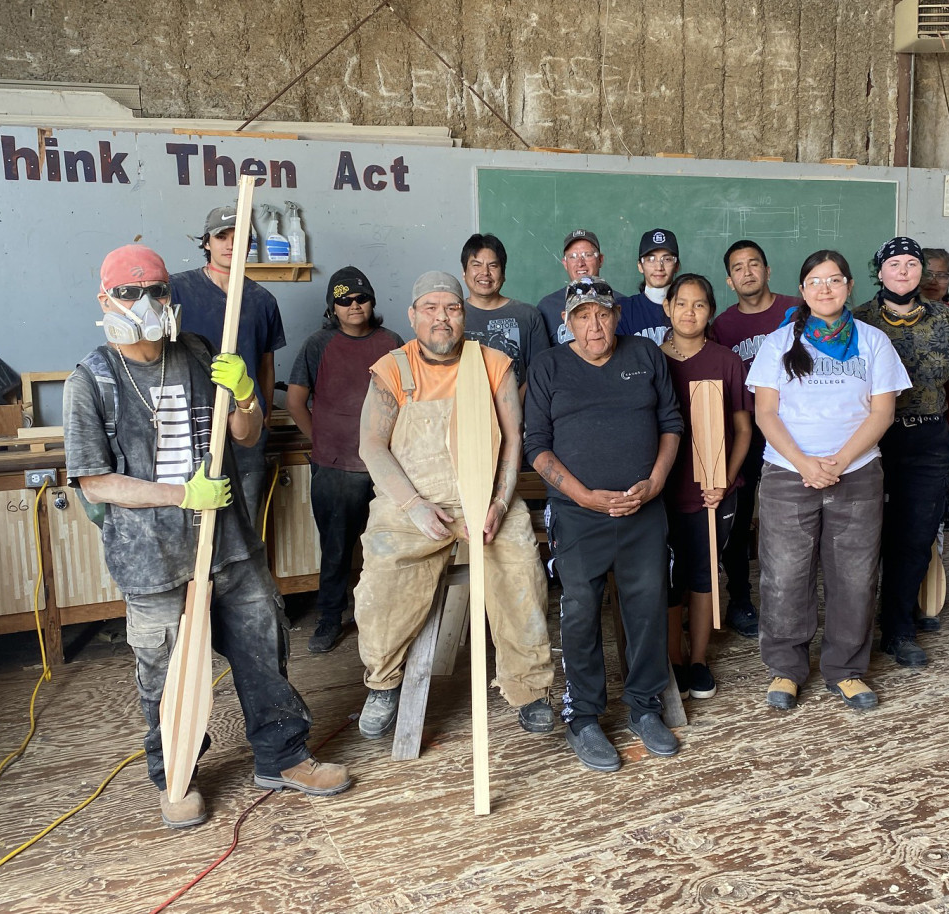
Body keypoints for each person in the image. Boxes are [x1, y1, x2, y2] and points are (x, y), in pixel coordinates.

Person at [64, 245, 349, 830]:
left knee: (261, 648)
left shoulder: (197, 352)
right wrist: (180, 496)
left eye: (155, 291)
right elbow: (95, 482)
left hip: (230, 546)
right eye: (127, 293)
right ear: (104, 300)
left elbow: (245, 436)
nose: (143, 304)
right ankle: (176, 776)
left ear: (171, 296)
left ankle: (284, 756)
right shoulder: (90, 379)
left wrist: (245, 393)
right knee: (167, 672)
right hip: (154, 559)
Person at [352, 271, 555, 741]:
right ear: (413, 315)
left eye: (452, 308)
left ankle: (528, 688)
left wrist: (501, 503)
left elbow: (512, 440)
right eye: (431, 308)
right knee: (381, 579)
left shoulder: (493, 364)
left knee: (522, 570)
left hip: (484, 500)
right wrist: (415, 506)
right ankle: (383, 681)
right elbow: (372, 447)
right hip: (413, 506)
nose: (441, 318)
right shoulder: (393, 370)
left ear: (464, 315)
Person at [524, 276, 683, 772]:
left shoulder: (644, 355)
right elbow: (537, 446)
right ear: (567, 322)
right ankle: (585, 716)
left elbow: (671, 424)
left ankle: (644, 706)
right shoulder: (549, 365)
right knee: (580, 609)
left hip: (643, 509)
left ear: (617, 315)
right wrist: (584, 496)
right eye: (583, 316)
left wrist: (655, 482)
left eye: (603, 314)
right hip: (576, 514)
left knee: (648, 607)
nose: (595, 325)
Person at [748, 251, 910, 710]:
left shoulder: (874, 342)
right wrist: (804, 462)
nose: (825, 289)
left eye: (834, 280)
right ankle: (786, 668)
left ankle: (847, 669)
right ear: (802, 290)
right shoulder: (778, 342)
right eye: (815, 282)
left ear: (849, 286)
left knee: (855, 577)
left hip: (856, 473)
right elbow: (765, 412)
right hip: (787, 473)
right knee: (783, 575)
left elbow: (883, 411)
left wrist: (839, 460)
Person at [854, 236, 949, 667]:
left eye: (913, 264)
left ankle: (899, 628)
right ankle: (859, 625)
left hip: (928, 440)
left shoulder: (946, 319)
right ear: (880, 272)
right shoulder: (858, 321)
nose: (905, 271)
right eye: (896, 264)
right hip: (872, 441)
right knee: (867, 536)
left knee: (915, 535)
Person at [287, 267, 403, 653]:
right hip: (334, 468)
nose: (354, 306)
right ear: (332, 308)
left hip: (385, 468)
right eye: (344, 300)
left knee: (389, 546)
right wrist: (322, 443)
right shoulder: (317, 345)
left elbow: (408, 399)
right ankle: (328, 618)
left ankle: (387, 616)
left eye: (361, 298)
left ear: (372, 301)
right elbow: (295, 400)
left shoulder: (392, 343)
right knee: (335, 549)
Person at [659, 273, 751, 702]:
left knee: (701, 576)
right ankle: (673, 660)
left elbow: (743, 430)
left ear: (710, 311)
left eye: (699, 305)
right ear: (667, 308)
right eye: (681, 303)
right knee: (668, 581)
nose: (689, 312)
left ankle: (697, 660)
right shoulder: (650, 360)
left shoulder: (726, 361)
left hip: (710, 493)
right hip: (660, 494)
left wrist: (726, 480)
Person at [708, 241, 804, 638]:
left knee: (795, 519)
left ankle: (794, 598)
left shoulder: (797, 311)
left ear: (767, 270)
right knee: (739, 516)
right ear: (729, 280)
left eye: (754, 264)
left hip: (794, 430)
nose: (747, 272)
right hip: (744, 434)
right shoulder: (722, 327)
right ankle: (741, 599)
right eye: (738, 268)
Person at [170, 204, 287, 530]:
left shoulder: (262, 300)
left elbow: (266, 364)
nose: (231, 244)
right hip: (192, 429)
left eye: (240, 237)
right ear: (207, 242)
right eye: (222, 236)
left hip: (245, 427)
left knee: (245, 525)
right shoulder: (176, 290)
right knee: (190, 526)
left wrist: (263, 416)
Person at [460, 233, 550, 393]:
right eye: (476, 265)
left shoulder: (528, 316)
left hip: (519, 412)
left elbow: (540, 371)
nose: (485, 272)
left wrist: (513, 408)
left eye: (493, 266)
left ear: (503, 274)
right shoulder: (452, 316)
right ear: (464, 272)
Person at [537, 229, 605, 346]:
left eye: (587, 255)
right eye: (573, 256)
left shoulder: (619, 303)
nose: (580, 263)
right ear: (565, 263)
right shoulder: (547, 307)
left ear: (600, 260)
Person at [616, 228, 678, 344]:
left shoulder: (687, 309)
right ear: (640, 266)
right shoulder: (624, 310)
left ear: (677, 265)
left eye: (667, 259)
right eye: (651, 259)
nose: (659, 267)